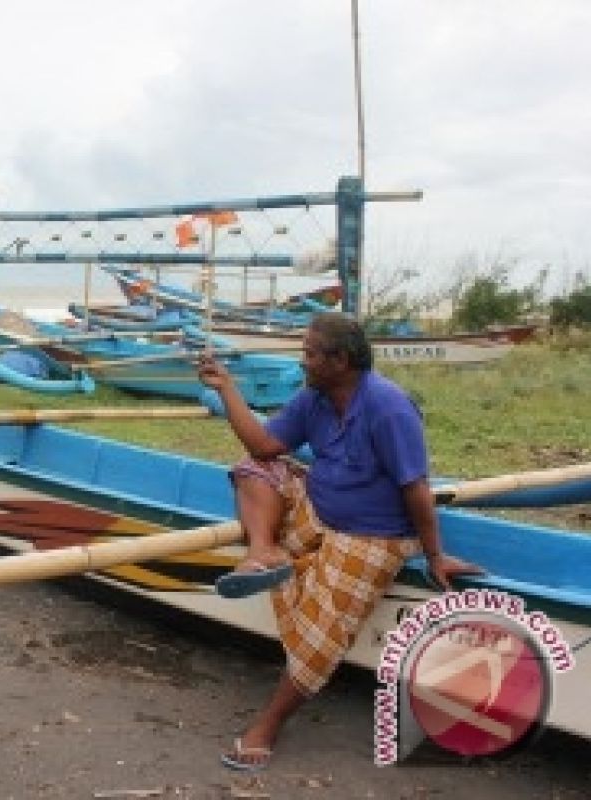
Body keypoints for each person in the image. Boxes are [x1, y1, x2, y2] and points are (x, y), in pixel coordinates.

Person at [196, 312, 481, 772]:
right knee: (254, 471)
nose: (302, 361)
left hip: (373, 536)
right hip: (320, 509)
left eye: (310, 353)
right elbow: (264, 447)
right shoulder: (315, 397)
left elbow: (416, 489)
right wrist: (226, 387)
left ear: (340, 360)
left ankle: (267, 726)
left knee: (320, 640)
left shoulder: (389, 408)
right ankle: (263, 552)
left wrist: (434, 554)